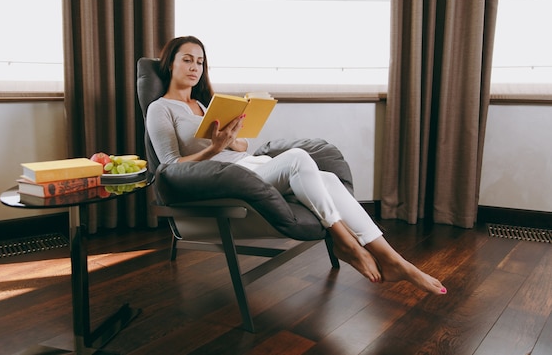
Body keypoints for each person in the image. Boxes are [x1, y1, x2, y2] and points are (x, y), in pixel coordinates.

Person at [146, 35, 447, 295]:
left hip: (248, 166)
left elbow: (241, 147)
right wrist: (214, 148)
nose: (194, 67)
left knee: (327, 178)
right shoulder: (160, 108)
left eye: (199, 62)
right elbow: (170, 165)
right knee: (299, 158)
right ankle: (344, 239)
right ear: (170, 63)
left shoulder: (203, 105)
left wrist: (232, 138)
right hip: (226, 180)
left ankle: (393, 259)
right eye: (187, 60)